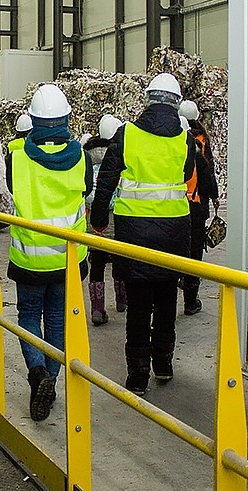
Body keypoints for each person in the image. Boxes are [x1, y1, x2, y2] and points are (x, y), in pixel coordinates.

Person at [90, 73, 194, 395]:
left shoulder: (127, 134)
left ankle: (137, 375)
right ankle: (163, 364)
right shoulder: (184, 139)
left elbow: (106, 179)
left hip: (134, 233)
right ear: (175, 104)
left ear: (147, 99)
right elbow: (188, 173)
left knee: (138, 306)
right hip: (174, 232)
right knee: (166, 302)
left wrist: (98, 221)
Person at [6, 84, 93, 422]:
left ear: (34, 120)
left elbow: (13, 191)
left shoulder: (16, 157)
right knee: (58, 319)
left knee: (28, 316)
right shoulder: (80, 156)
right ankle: (51, 381)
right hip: (68, 259)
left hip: (29, 257)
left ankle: (38, 374)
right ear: (67, 118)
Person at [84, 114, 127, 325]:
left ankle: (97, 309)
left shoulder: (87, 155)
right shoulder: (121, 153)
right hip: (117, 219)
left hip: (94, 220)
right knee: (120, 261)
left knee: (98, 264)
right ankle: (121, 298)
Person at [178, 100, 219, 315]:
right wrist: (214, 197)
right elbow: (207, 173)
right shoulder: (200, 143)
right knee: (194, 255)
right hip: (196, 207)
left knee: (174, 252)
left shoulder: (171, 148)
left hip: (174, 208)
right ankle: (191, 301)